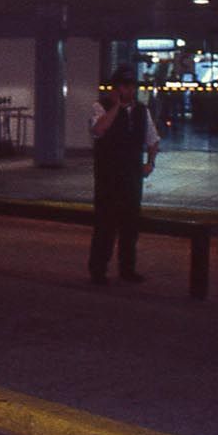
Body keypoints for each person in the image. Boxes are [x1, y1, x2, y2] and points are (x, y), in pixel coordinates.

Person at [87, 65, 161, 285]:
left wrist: (150, 163)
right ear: (114, 88)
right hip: (108, 175)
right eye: (122, 86)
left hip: (131, 175)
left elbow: (153, 139)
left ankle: (127, 269)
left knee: (130, 224)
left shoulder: (141, 111)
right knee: (105, 224)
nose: (127, 90)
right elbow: (99, 130)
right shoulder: (100, 107)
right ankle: (98, 270)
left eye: (130, 86)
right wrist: (116, 107)